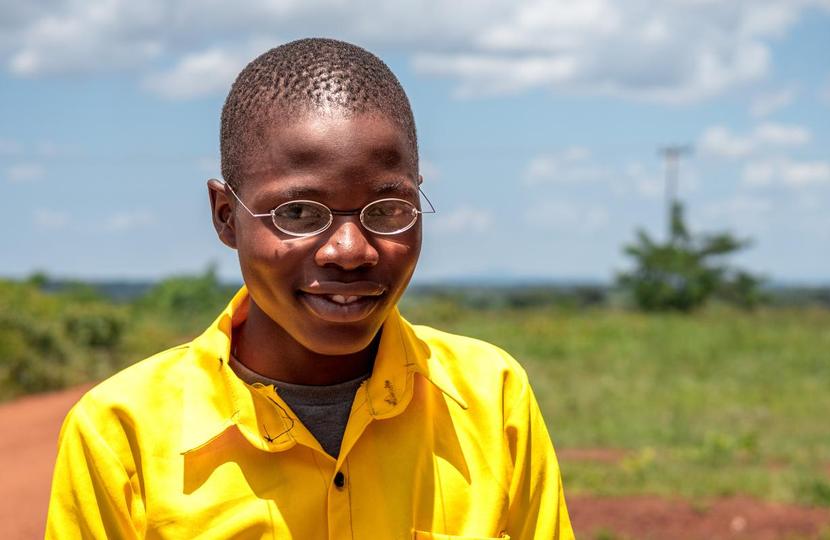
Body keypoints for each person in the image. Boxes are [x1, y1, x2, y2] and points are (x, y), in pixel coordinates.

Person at [46, 37, 574, 539]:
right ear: (226, 217)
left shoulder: (490, 399)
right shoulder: (121, 434)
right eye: (298, 212)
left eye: (387, 210)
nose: (350, 250)